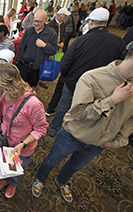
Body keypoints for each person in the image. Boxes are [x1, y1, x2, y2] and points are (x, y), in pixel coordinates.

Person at [32, 31, 133, 203]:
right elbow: (78, 114)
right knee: (51, 160)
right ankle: (40, 179)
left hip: (99, 143)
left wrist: (116, 141)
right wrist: (112, 100)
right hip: (73, 134)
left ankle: (61, 181)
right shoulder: (93, 77)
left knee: (75, 166)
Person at [48, 8, 125, 137]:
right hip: (100, 88)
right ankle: (78, 133)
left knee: (64, 108)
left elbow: (65, 63)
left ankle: (54, 130)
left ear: (91, 22)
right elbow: (120, 66)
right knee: (90, 111)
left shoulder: (81, 40)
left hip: (74, 82)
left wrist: (68, 77)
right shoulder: (118, 42)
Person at [0, 62, 48, 198]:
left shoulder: (33, 104)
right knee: (5, 166)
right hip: (6, 141)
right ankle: (4, 180)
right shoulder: (5, 94)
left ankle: (13, 184)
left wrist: (22, 144)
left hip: (23, 147)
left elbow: (41, 129)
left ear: (6, 83)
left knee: (16, 171)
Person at [16, 10, 58, 88]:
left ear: (45, 20)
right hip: (23, 65)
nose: (36, 23)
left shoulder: (51, 33)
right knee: (19, 87)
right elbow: (21, 46)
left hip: (36, 68)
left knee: (31, 88)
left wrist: (45, 46)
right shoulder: (29, 31)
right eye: (35, 21)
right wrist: (18, 60)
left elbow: (54, 51)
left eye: (38, 21)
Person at [45, 8, 70, 117]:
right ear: (59, 15)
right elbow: (48, 39)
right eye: (65, 16)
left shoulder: (63, 25)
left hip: (59, 49)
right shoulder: (50, 25)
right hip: (52, 48)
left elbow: (63, 35)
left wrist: (62, 43)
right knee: (48, 63)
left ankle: (51, 73)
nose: (66, 18)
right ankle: (47, 74)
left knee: (56, 63)